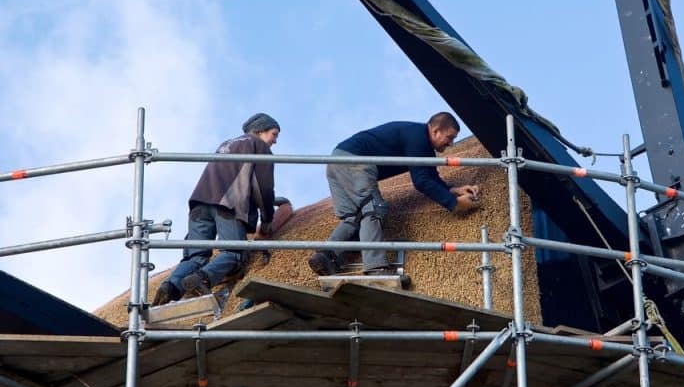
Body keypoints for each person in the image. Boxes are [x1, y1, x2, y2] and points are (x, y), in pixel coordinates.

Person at [308, 111, 480, 276]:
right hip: (355, 161)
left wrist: (453, 190)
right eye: (450, 138)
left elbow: (430, 175)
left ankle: (325, 255)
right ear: (435, 130)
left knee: (355, 216)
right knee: (375, 209)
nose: (451, 144)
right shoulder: (418, 136)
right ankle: (375, 268)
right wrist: (454, 203)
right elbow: (421, 181)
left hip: (337, 160)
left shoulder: (420, 142)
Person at [153, 113, 280, 305]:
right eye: (274, 134)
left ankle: (170, 287)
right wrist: (267, 217)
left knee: (196, 256)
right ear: (260, 130)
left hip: (199, 204)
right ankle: (202, 280)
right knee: (233, 252)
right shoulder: (258, 145)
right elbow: (263, 187)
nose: (275, 141)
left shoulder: (227, 144)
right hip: (227, 205)